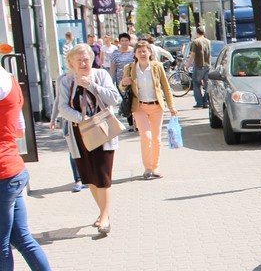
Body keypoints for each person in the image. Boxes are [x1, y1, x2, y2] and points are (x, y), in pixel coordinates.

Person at [0, 66, 71, 271]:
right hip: (12, 169)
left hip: (3, 174)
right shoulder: (9, 80)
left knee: (3, 246)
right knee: (21, 239)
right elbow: (19, 130)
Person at [58, 43, 121, 235]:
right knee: (90, 177)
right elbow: (62, 107)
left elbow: (114, 98)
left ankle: (104, 216)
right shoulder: (65, 81)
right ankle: (103, 212)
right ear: (71, 63)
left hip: (102, 130)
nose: (84, 63)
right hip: (79, 133)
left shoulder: (101, 75)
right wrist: (82, 119)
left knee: (103, 175)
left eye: (87, 59)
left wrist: (92, 86)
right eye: (80, 60)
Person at [119, 39, 176, 179]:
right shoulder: (130, 68)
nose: (142, 53)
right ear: (135, 54)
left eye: (145, 51)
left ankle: (155, 167)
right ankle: (147, 168)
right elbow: (122, 87)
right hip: (140, 107)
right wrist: (123, 83)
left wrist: (171, 106)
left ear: (150, 52)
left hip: (157, 106)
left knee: (156, 139)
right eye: (139, 51)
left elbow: (166, 87)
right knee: (146, 136)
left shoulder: (157, 67)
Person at [109, 32, 137, 131]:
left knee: (135, 99)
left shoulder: (134, 52)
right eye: (122, 41)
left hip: (134, 79)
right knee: (127, 100)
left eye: (126, 40)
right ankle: (130, 124)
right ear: (119, 42)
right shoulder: (115, 53)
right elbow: (112, 67)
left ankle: (137, 123)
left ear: (129, 41)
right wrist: (110, 81)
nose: (124, 42)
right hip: (121, 81)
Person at [188, 25, 211, 109]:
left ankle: (199, 102)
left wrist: (188, 65)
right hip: (207, 65)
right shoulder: (208, 41)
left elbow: (192, 55)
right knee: (207, 84)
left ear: (197, 33)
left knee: (196, 84)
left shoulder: (195, 42)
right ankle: (206, 101)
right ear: (204, 33)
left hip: (198, 65)